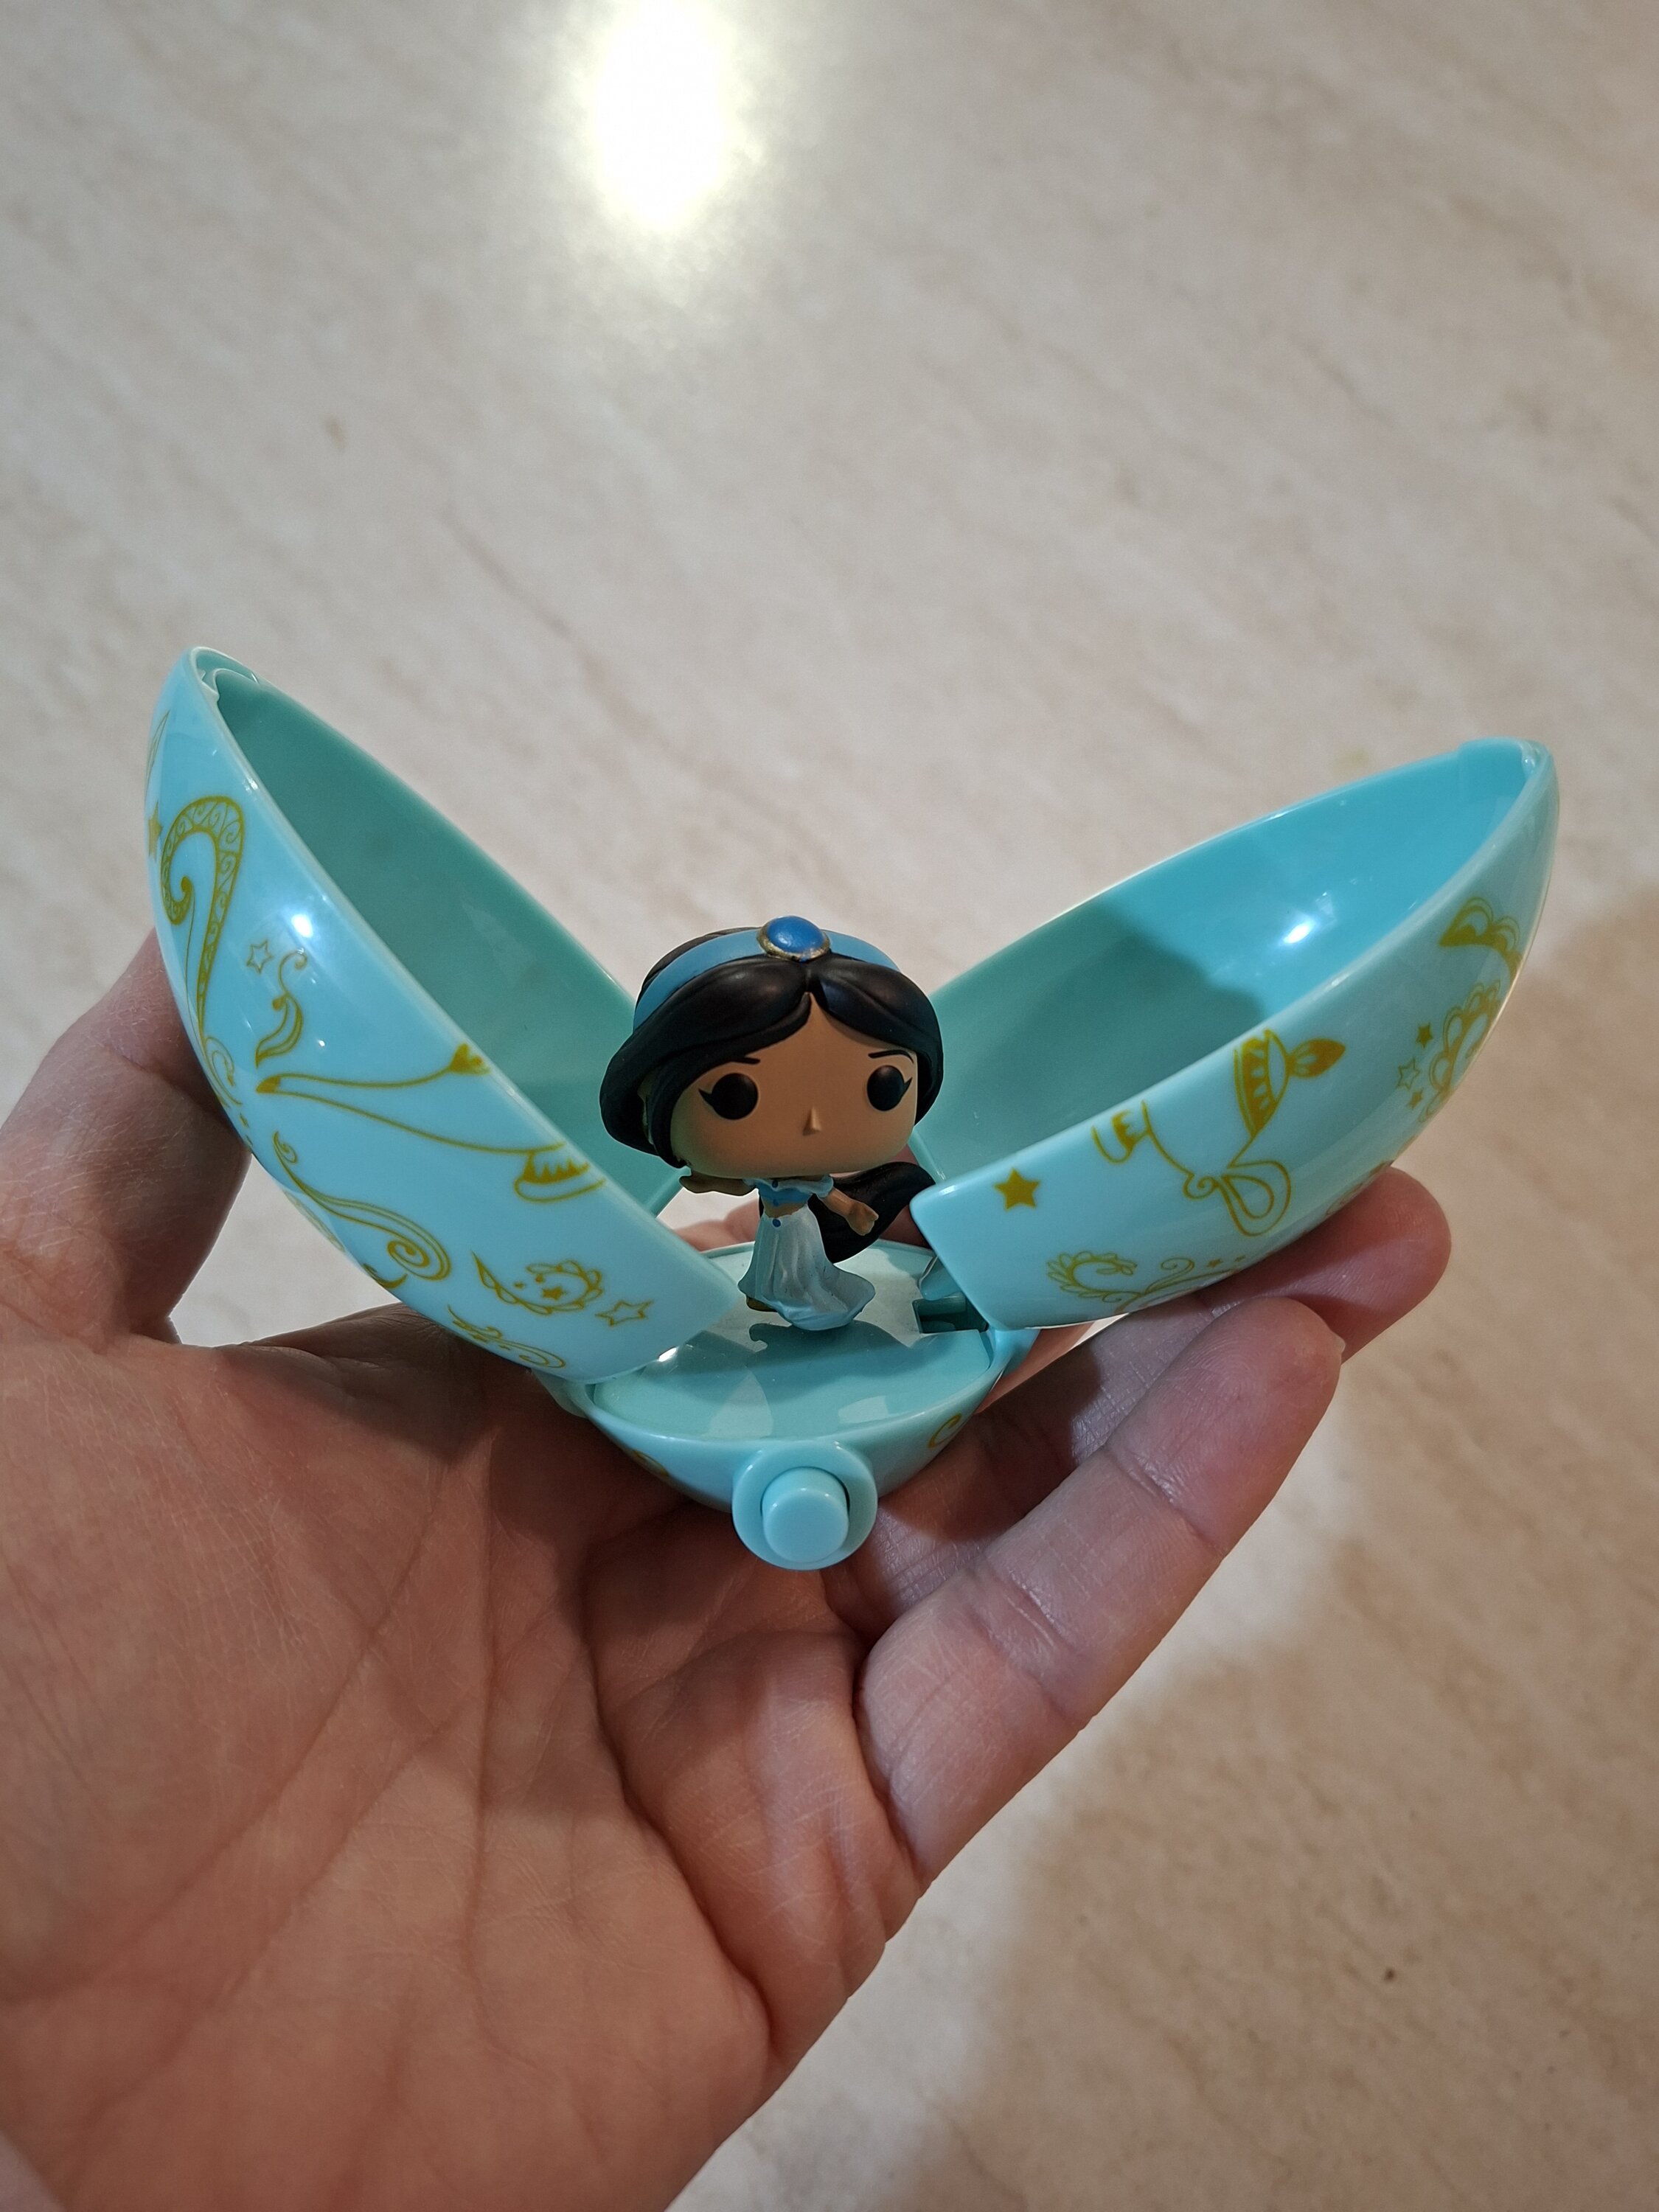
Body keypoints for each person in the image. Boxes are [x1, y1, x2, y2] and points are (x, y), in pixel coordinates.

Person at [0, 940, 1449, 2211]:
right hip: (710, 1356)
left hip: (818, 1339)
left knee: (817, 1275)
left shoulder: (872, 1209)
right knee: (800, 1276)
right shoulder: (732, 1231)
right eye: (746, 1097)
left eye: (875, 1088)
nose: (814, 1124)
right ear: (666, 1104)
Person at [599, 915, 942, 1330]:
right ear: (647, 1095)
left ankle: (796, 1296)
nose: (813, 1123)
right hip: (777, 1226)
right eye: (734, 1095)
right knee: (770, 1261)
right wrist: (710, 1183)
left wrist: (855, 1212)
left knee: (800, 1264)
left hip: (799, 1227)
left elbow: (832, 1197)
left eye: (882, 1087)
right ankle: (768, 1294)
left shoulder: (921, 1176)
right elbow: (746, 1188)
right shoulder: (775, 1180)